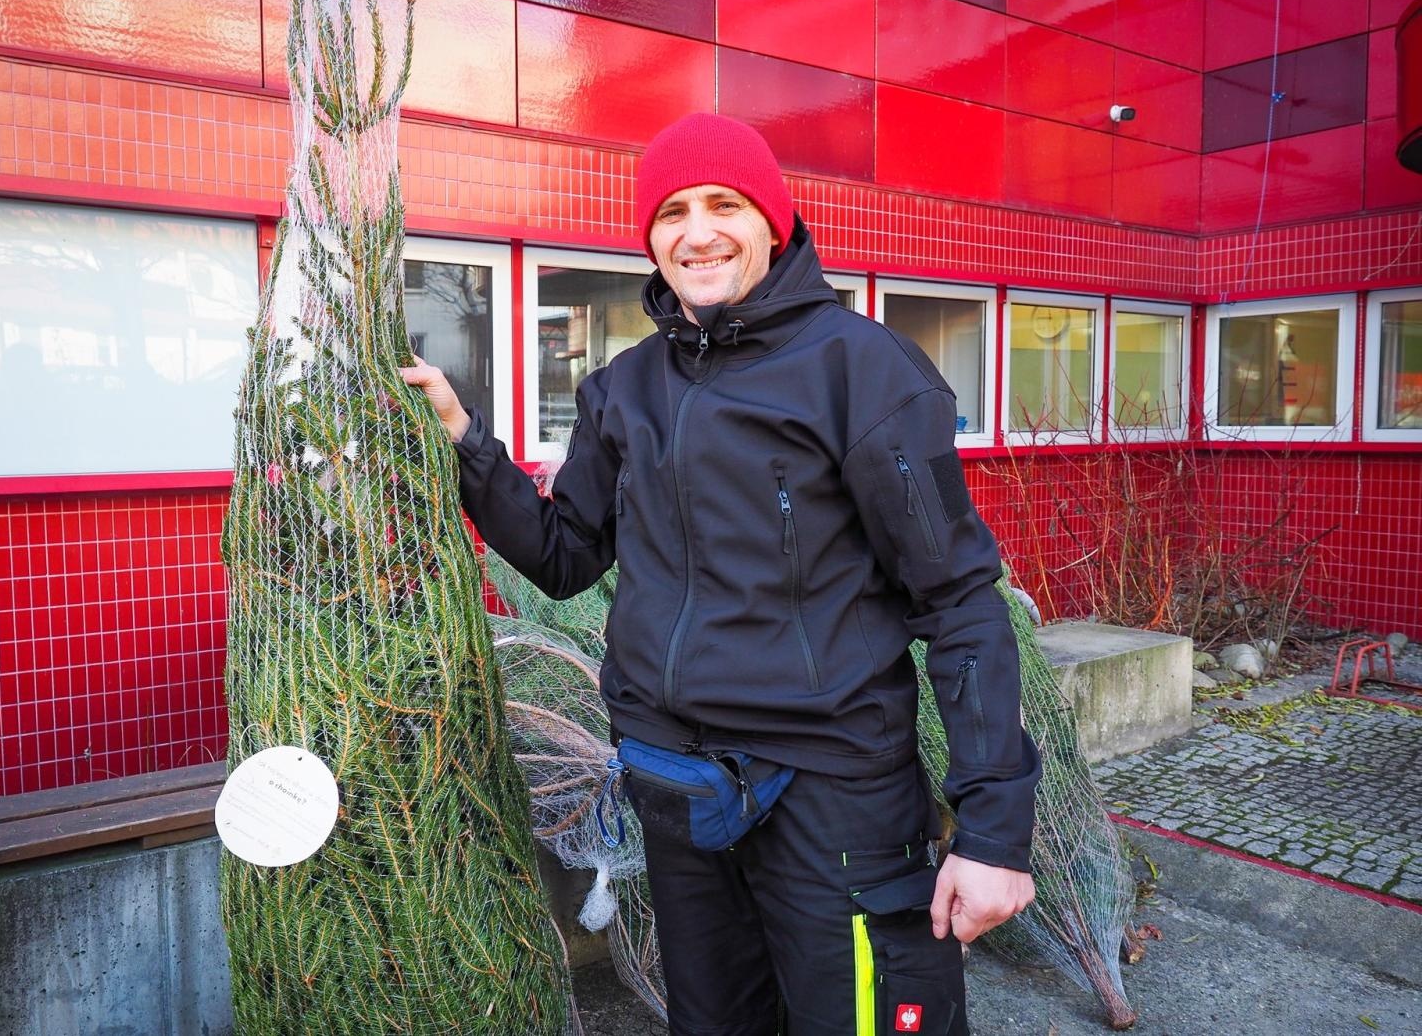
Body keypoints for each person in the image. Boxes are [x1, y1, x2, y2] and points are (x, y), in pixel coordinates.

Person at [402, 112, 1040, 1035]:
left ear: (772, 222)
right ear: (650, 239)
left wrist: (993, 834)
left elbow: (960, 604)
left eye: (723, 205)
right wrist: (467, 442)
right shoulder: (625, 388)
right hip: (682, 795)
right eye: (672, 213)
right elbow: (564, 556)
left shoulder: (865, 371)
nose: (697, 232)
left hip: (835, 801)